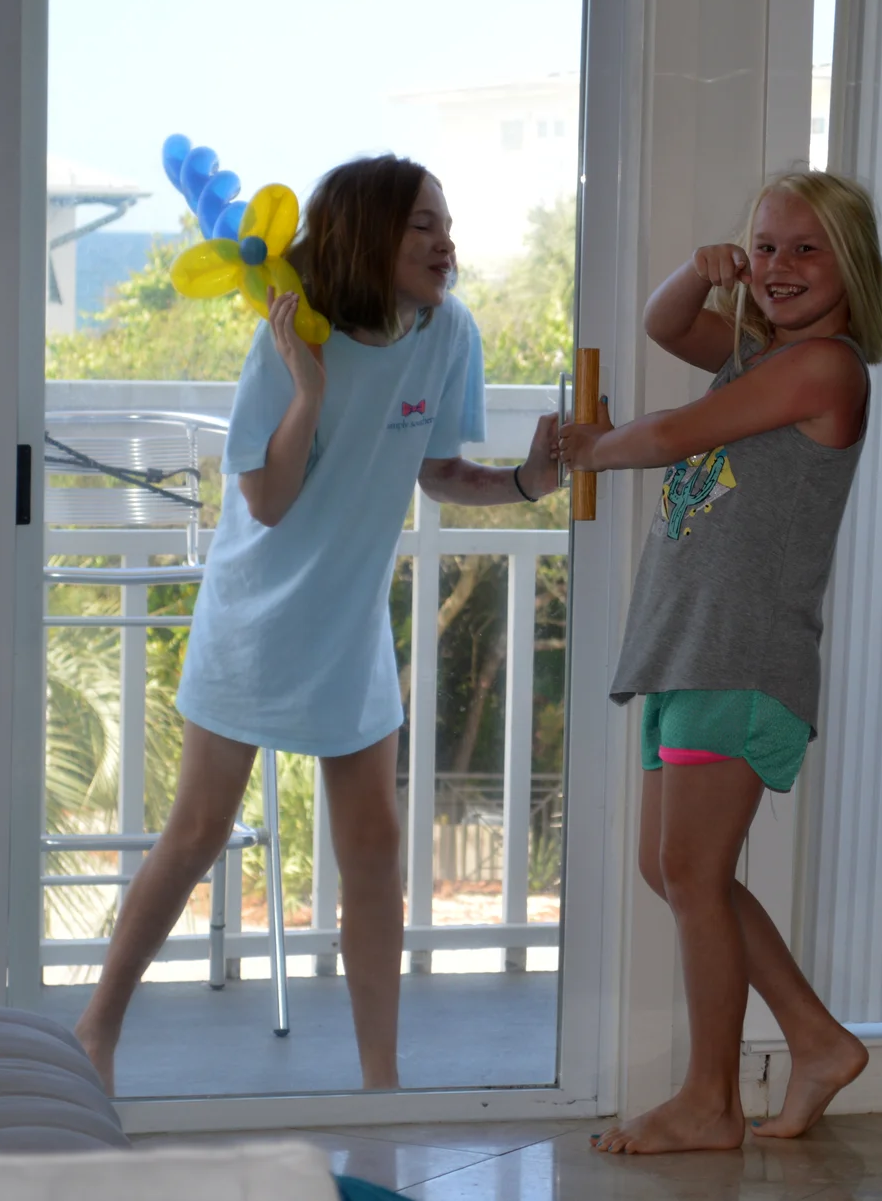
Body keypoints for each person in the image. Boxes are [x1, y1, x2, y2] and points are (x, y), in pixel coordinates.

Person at [74, 155, 562, 1093]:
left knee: (373, 849)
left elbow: (438, 471)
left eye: (447, 224)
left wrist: (527, 482)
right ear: (369, 234)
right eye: (422, 225)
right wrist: (309, 390)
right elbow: (267, 499)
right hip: (256, 620)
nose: (445, 243)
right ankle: (97, 1029)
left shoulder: (449, 332)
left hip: (351, 626)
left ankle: (382, 1082)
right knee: (196, 832)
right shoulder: (293, 336)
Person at [558, 170, 882, 1154]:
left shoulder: (826, 368)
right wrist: (699, 271)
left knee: (691, 869)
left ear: (850, 264)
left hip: (742, 653)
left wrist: (590, 448)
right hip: (689, 646)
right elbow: (666, 325)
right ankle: (817, 1038)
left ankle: (710, 1097)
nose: (779, 266)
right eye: (766, 245)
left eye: (806, 248)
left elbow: (670, 434)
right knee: (673, 868)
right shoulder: (759, 354)